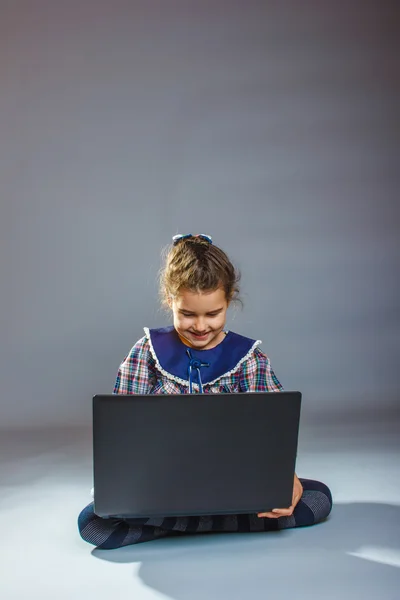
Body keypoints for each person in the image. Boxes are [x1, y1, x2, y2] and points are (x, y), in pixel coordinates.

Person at [78, 234, 332, 549]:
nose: (200, 326)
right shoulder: (146, 352)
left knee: (319, 496)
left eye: (213, 314)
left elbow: (274, 432)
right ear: (169, 301)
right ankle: (221, 523)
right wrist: (124, 487)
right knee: (92, 521)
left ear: (229, 302)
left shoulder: (248, 358)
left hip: (235, 484)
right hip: (161, 485)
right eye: (188, 314)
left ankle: (176, 526)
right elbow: (121, 436)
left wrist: (285, 478)